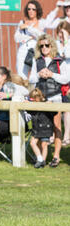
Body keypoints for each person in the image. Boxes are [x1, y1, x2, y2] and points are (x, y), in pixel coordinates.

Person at [29, 34, 70, 167]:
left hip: (55, 97)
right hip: (40, 98)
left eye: (47, 45)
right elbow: (31, 80)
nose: (44, 48)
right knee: (40, 127)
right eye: (41, 46)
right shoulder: (37, 61)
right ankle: (41, 157)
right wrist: (39, 74)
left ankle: (56, 156)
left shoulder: (59, 61)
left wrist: (52, 74)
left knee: (57, 127)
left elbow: (66, 78)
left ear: (52, 45)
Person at [14, 0, 46, 80]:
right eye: (29, 9)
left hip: (36, 52)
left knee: (35, 78)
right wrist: (29, 37)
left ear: (37, 10)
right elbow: (16, 38)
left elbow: (41, 36)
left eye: (33, 9)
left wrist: (28, 28)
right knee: (22, 77)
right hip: (23, 52)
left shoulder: (41, 22)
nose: (31, 11)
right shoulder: (22, 22)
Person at [28, 88, 54, 168]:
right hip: (36, 128)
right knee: (33, 143)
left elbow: (54, 112)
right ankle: (40, 159)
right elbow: (30, 111)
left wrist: (50, 104)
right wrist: (27, 103)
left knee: (44, 144)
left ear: (38, 97)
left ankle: (42, 162)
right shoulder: (32, 104)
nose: (33, 101)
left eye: (34, 99)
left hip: (46, 127)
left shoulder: (47, 103)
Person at [56, 21, 70, 147]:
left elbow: (67, 54)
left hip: (66, 80)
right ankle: (53, 135)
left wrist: (66, 40)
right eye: (59, 32)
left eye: (63, 32)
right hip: (56, 79)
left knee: (67, 110)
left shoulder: (68, 43)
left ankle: (66, 136)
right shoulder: (55, 44)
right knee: (55, 109)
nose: (60, 35)